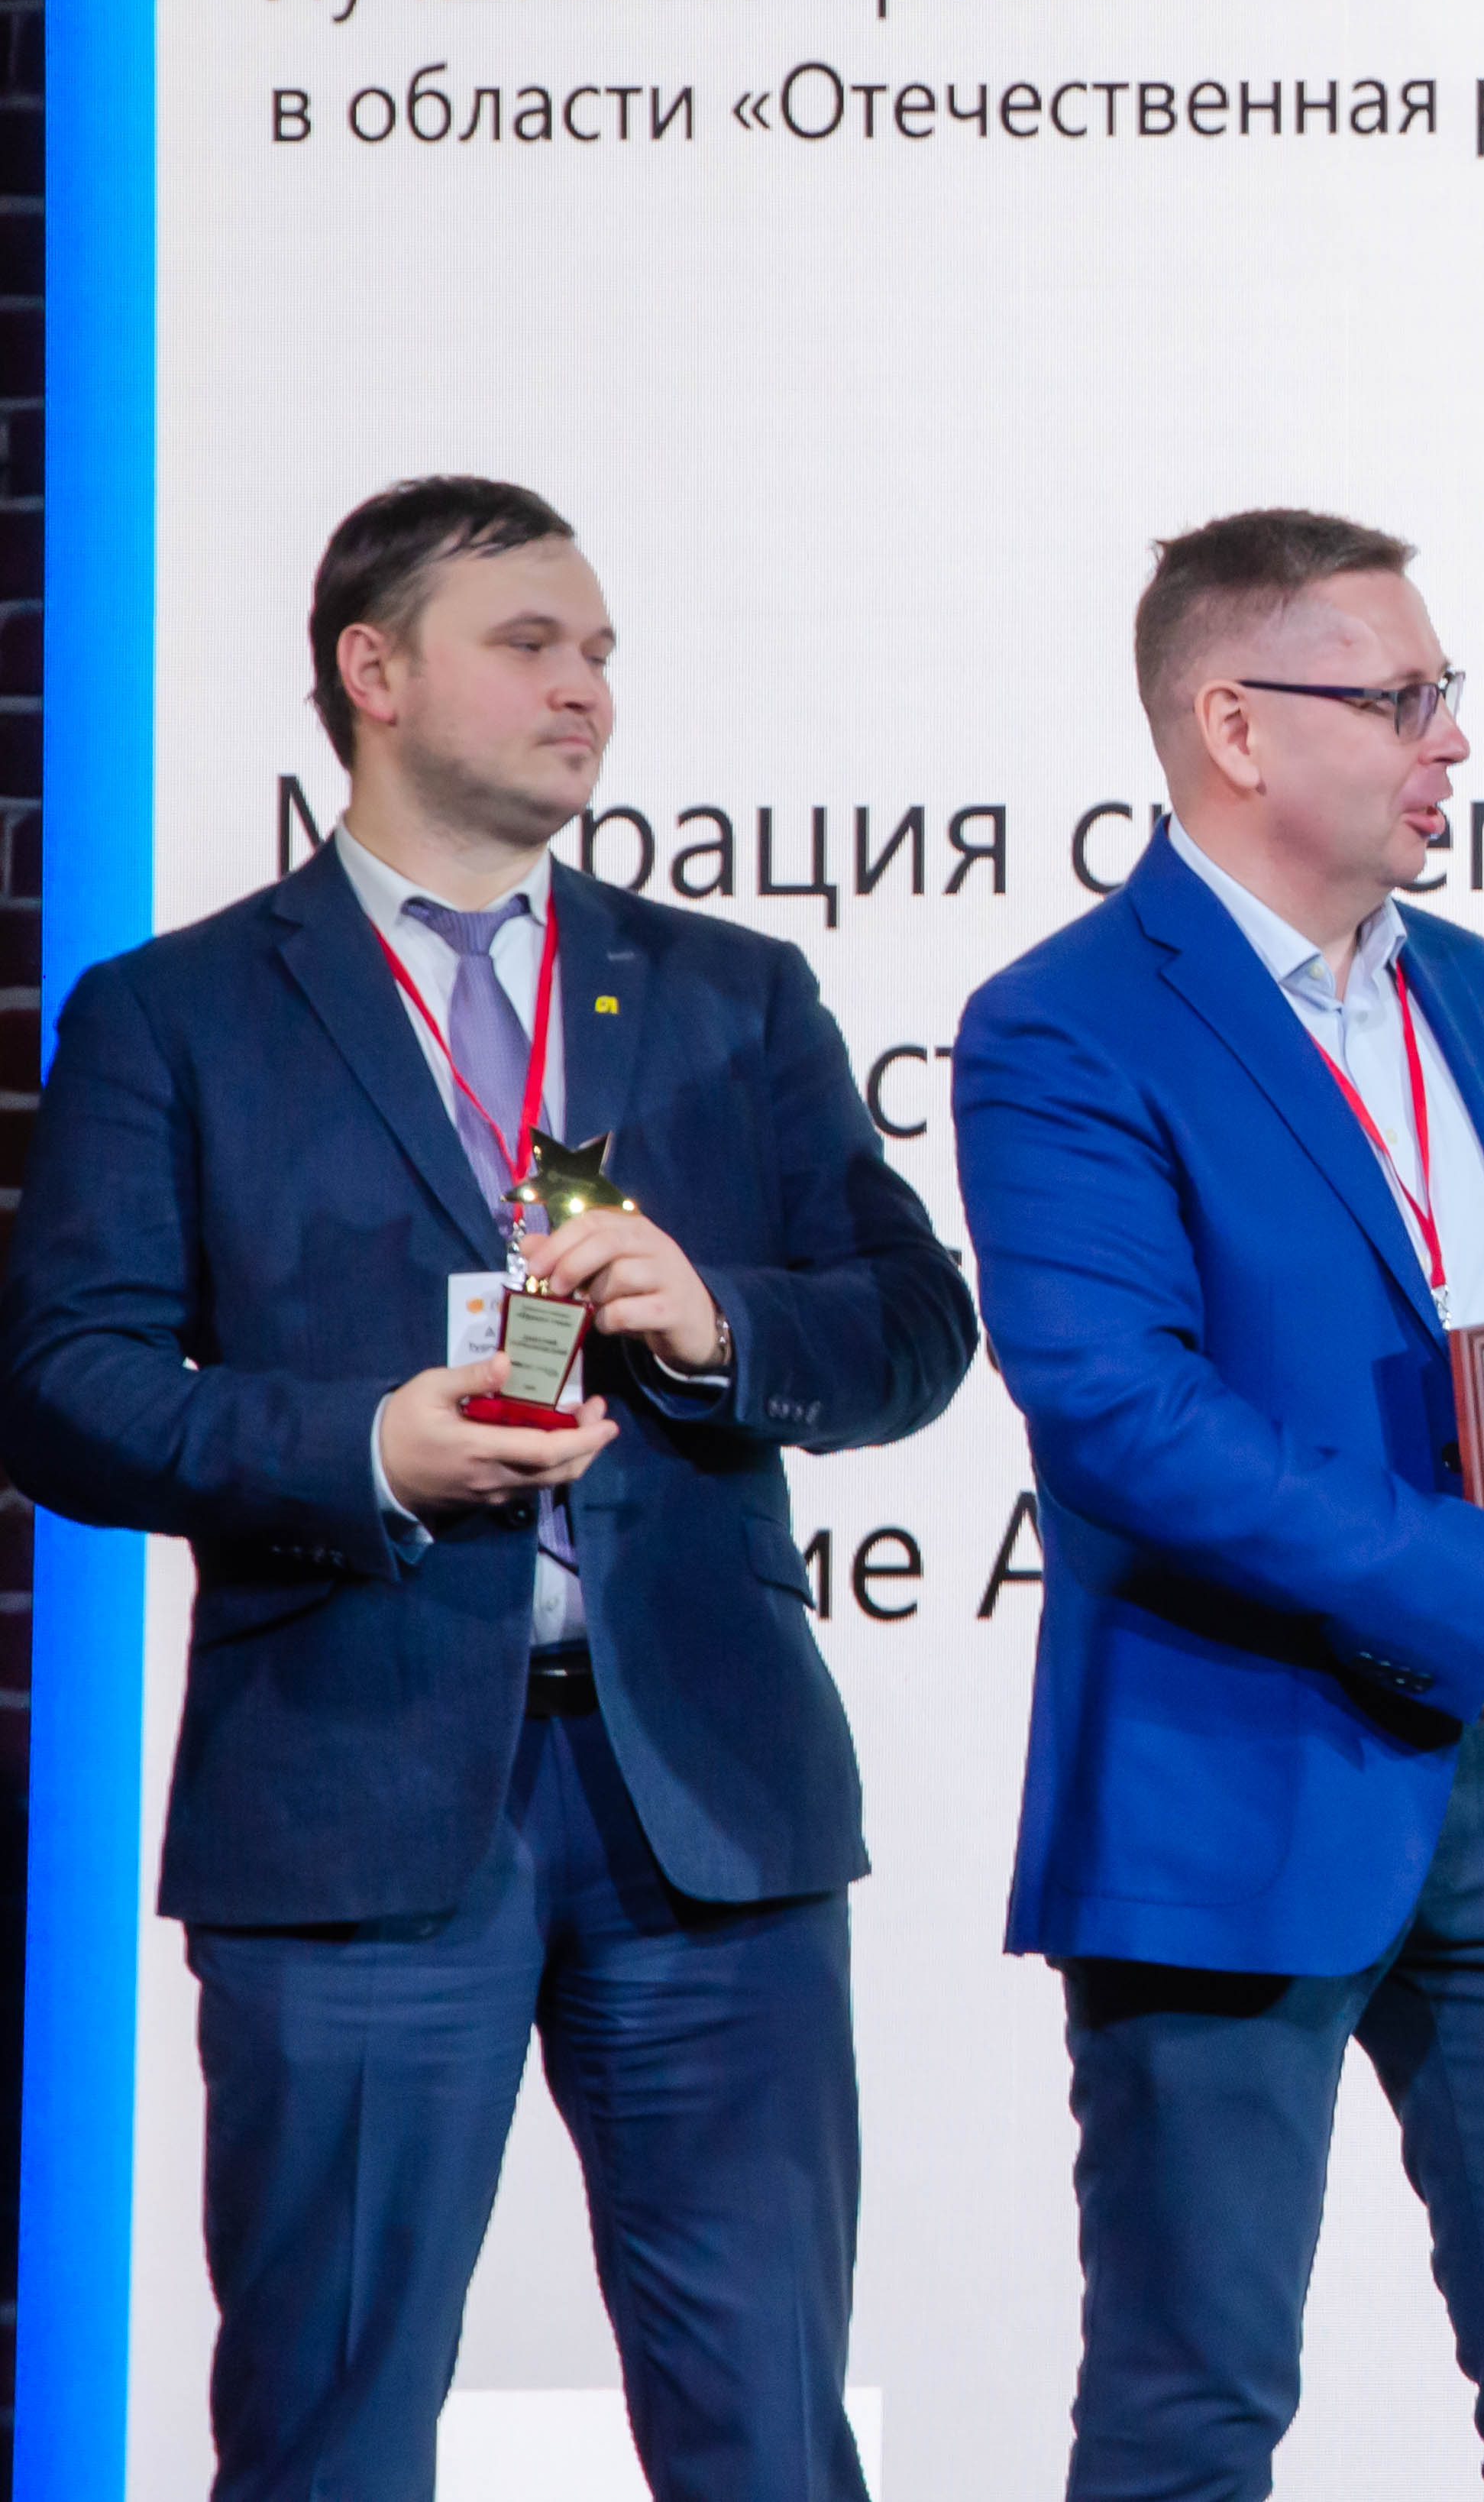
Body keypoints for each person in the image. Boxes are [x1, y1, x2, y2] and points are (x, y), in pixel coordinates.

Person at [0, 476, 977, 2500]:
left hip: (706, 1805)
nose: (584, 688)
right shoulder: (176, 1014)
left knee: (768, 2433)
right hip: (348, 1804)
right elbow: (66, 1388)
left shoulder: (730, 992)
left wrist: (715, 1319)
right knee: (329, 2434)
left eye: (600, 650)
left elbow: (912, 1323)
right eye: (531, 643)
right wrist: (366, 1445)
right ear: (373, 671)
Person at [949, 509, 1484, 2502]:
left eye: (1444, 691)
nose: (1448, 737)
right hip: (1233, 1781)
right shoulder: (1064, 1023)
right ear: (1235, 725)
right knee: (1191, 2419)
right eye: (1399, 697)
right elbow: (1121, 1411)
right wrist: (1479, 1590)